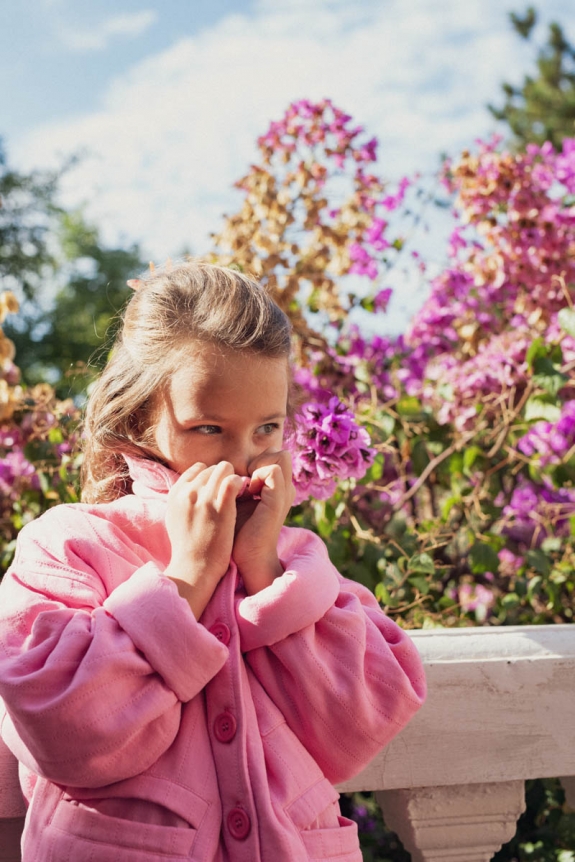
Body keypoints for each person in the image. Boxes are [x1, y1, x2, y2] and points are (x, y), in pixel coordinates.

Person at [0, 261, 426, 862]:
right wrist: (188, 579)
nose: (243, 460)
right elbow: (62, 728)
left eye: (266, 428)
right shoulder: (70, 543)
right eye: (208, 428)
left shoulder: (296, 558)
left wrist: (265, 572)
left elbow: (363, 721)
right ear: (139, 414)